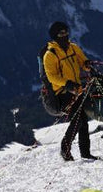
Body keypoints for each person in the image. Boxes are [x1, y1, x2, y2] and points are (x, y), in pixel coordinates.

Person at [42, 21, 98, 162]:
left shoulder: (73, 48)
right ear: (55, 35)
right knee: (78, 119)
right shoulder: (50, 55)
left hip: (76, 90)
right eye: (61, 33)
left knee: (83, 121)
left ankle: (85, 154)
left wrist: (87, 65)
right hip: (61, 93)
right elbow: (52, 77)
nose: (65, 35)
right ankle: (65, 149)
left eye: (66, 32)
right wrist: (67, 85)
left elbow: (82, 62)